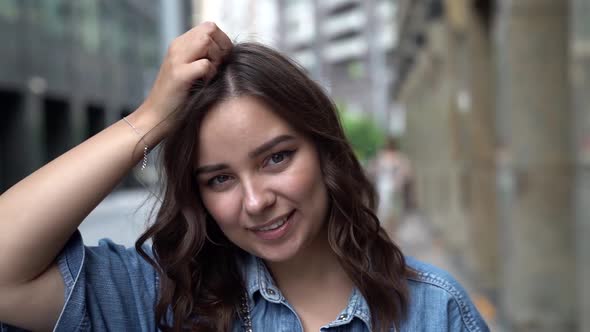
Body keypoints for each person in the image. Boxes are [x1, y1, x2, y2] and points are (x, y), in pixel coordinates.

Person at [0, 22, 488, 331]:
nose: (255, 201)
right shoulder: (164, 301)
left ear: (324, 151)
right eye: (219, 180)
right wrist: (149, 120)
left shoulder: (433, 311)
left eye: (276, 158)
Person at [374, 137, 416, 233]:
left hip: (389, 189)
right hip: (389, 189)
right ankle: (391, 232)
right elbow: (409, 174)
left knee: (389, 213)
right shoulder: (395, 157)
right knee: (390, 213)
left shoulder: (388, 157)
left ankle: (389, 232)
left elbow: (373, 171)